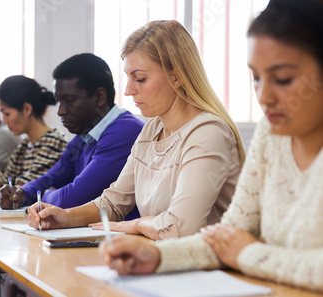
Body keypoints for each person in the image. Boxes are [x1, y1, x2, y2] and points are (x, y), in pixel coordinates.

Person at [99, 0, 323, 293]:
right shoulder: (271, 134)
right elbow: (229, 237)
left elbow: (238, 248)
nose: (264, 96)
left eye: (283, 78)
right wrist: (155, 256)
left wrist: (248, 254)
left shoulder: (211, 130)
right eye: (256, 77)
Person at [28, 20, 245, 240]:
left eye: (140, 78)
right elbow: (113, 203)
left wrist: (134, 225)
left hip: (203, 267)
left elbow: (179, 227)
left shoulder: (208, 132)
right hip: (161, 258)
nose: (129, 90)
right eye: (128, 77)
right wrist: (65, 216)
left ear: (177, 76)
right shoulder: (151, 129)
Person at [0, 53, 144, 220]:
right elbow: (51, 178)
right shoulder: (84, 137)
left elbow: (73, 199)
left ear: (100, 97)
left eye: (69, 100)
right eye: (59, 101)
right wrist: (21, 193)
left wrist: (43, 197)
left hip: (123, 239)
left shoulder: (124, 131)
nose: (61, 111)